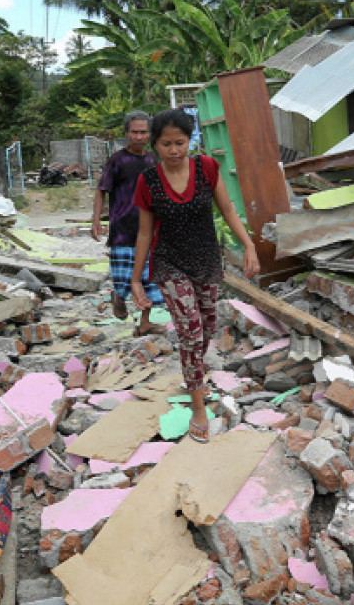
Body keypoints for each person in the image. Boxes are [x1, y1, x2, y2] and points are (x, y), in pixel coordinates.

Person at [131, 108, 259, 443]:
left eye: (180, 142)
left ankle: (195, 374)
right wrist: (135, 279)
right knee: (189, 331)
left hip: (205, 259)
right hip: (169, 263)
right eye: (166, 144)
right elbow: (144, 234)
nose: (173, 150)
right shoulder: (148, 182)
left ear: (190, 140)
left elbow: (228, 209)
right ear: (155, 146)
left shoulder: (207, 168)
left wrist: (249, 246)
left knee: (205, 328)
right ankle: (197, 403)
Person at [92, 111, 166, 336]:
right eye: (134, 132)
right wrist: (96, 220)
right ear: (126, 133)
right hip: (123, 230)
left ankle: (144, 322)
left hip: (149, 229)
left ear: (149, 134)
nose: (139, 136)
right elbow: (101, 190)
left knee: (149, 279)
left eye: (143, 132)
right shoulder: (117, 160)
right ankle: (118, 297)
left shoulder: (153, 160)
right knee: (124, 278)